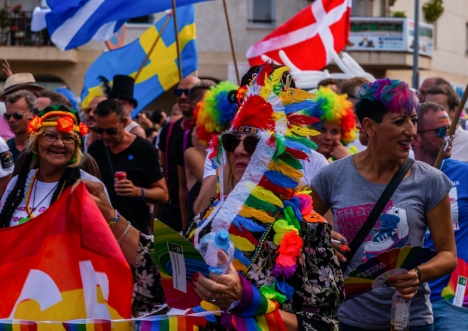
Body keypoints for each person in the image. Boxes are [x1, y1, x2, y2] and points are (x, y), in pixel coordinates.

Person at [85, 64, 344, 329]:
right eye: (232, 142)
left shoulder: (307, 226)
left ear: (279, 151)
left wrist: (246, 300)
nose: (240, 150)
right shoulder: (211, 214)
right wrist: (111, 217)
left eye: (254, 142)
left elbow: (323, 324)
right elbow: (166, 268)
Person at [310, 79, 457, 330]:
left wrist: (418, 274)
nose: (411, 131)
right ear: (369, 126)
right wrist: (322, 239)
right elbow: (298, 225)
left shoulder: (430, 181)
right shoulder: (332, 176)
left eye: (413, 119)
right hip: (347, 319)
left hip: (412, 321)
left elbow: (447, 255)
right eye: (400, 122)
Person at [0, 105, 104, 227]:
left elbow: (101, 239)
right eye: (50, 136)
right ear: (36, 141)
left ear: (76, 146)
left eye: (68, 137)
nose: (59, 143)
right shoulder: (17, 184)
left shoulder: (90, 187)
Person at [412, 102, 468, 330]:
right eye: (442, 132)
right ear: (415, 137)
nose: (450, 136)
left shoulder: (463, 174)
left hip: (454, 297)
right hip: (410, 295)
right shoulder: (399, 176)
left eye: (452, 130)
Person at [88, 99, 168, 234]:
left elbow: (163, 195)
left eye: (111, 131)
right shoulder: (96, 149)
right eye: (100, 130)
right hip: (103, 229)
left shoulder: (144, 149)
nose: (105, 136)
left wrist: (137, 191)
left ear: (124, 123)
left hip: (135, 230)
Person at [13, 93, 102, 180]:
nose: (29, 116)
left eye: (68, 138)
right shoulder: (24, 159)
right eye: (50, 136)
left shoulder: (85, 163)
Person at [157, 75, 200, 231]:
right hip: (169, 212)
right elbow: (161, 174)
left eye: (187, 92)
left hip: (199, 216)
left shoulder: (210, 134)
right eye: (179, 92)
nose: (182, 97)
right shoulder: (168, 130)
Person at [176, 80, 217, 229]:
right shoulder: (184, 140)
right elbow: (182, 188)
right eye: (212, 103)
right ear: (197, 106)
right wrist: (184, 223)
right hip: (198, 223)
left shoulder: (227, 139)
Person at [310, 87, 357, 162]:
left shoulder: (352, 158)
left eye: (334, 132)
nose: (328, 137)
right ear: (309, 130)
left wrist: (345, 161)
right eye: (322, 130)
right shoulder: (301, 162)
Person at [424, 84, 468, 162]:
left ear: (454, 111)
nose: (430, 113)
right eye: (426, 107)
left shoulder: (466, 141)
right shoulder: (419, 139)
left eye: (438, 107)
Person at [4, 90, 37, 162]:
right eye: (8, 115)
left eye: (18, 115)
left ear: (32, 114)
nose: (11, 120)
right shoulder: (4, 149)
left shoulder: (42, 148)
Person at [341, 77, 370, 152]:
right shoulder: (334, 128)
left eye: (368, 98)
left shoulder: (369, 131)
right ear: (346, 98)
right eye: (361, 98)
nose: (366, 103)